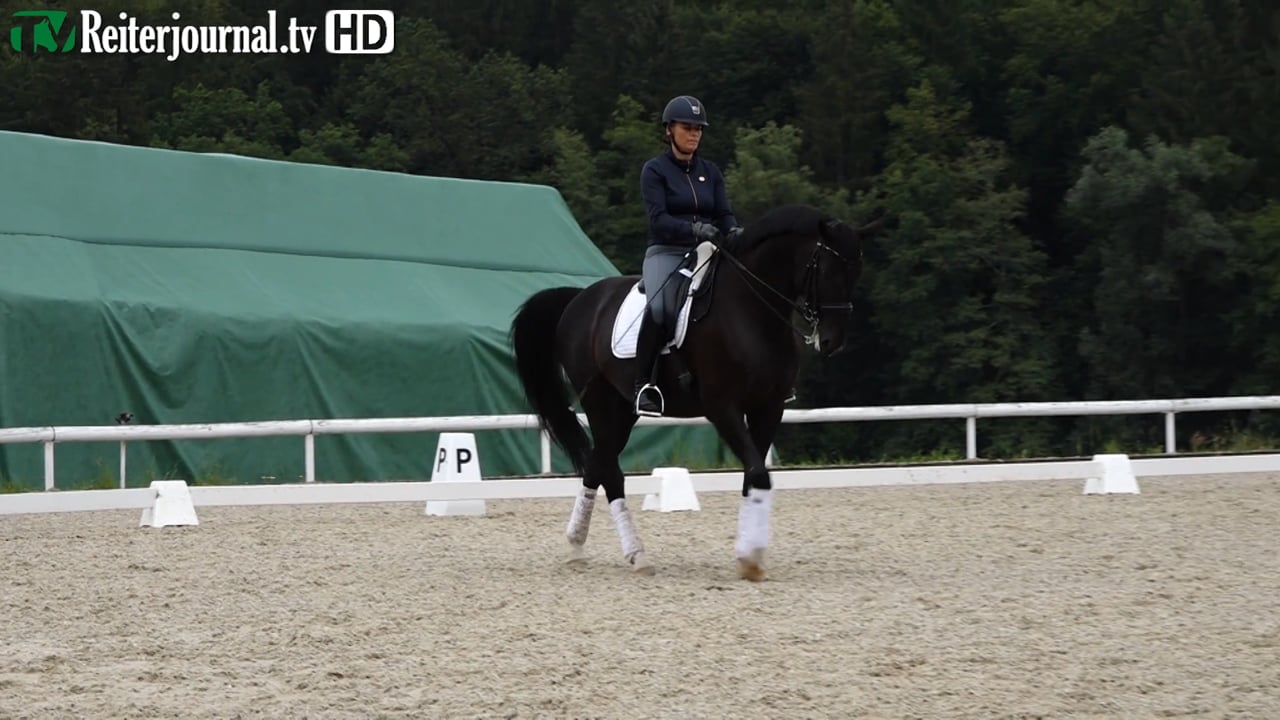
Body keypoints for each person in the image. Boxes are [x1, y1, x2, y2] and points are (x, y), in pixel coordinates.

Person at [633, 94, 744, 417]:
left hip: (708, 251)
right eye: (687, 127)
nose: (694, 133)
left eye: (698, 128)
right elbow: (658, 219)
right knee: (660, 308)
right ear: (669, 130)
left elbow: (723, 214)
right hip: (666, 251)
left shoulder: (710, 172)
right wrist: (695, 230)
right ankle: (643, 385)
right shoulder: (654, 170)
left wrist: (734, 232)